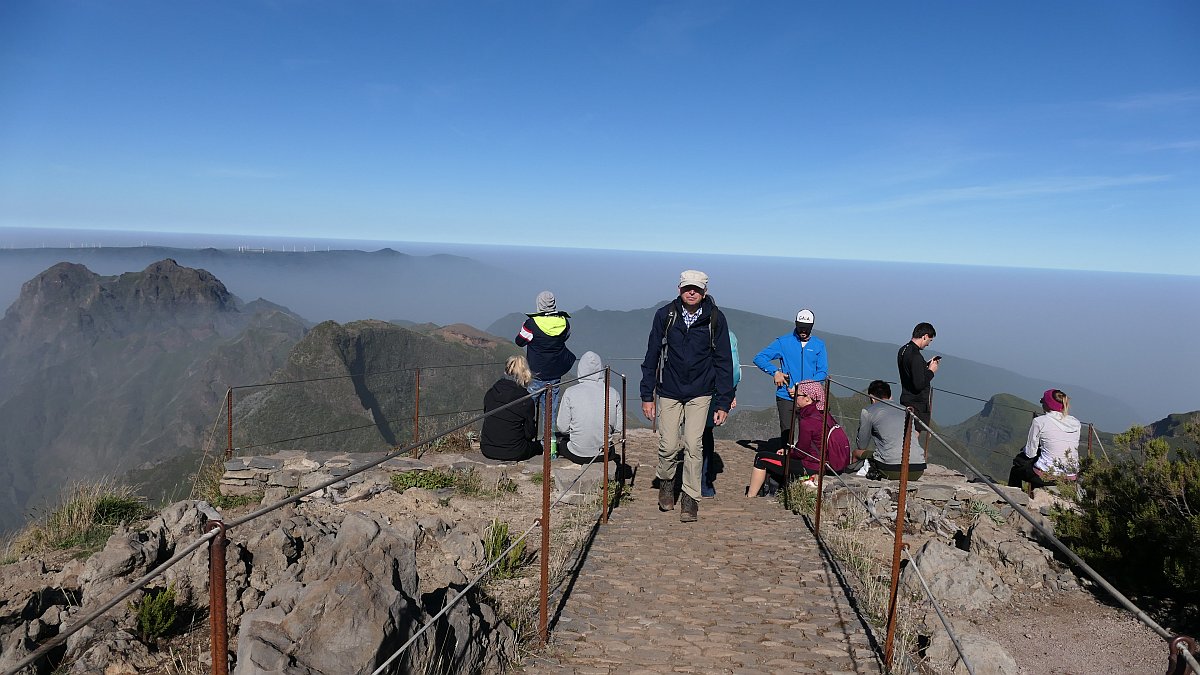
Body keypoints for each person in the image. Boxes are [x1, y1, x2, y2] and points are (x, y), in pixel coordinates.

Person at [640, 270, 735, 523]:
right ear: (679, 288)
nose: (691, 292)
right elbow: (651, 356)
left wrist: (724, 401)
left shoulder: (715, 318)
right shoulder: (665, 315)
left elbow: (724, 360)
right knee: (668, 445)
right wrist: (646, 394)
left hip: (701, 392)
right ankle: (667, 482)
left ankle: (690, 499)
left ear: (704, 291)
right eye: (687, 287)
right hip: (669, 389)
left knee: (694, 444)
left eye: (696, 288)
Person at [746, 380, 841, 497]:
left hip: (810, 466)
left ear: (807, 398)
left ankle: (750, 496)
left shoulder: (808, 421)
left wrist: (788, 453)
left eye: (798, 395)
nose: (795, 397)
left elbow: (801, 452)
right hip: (823, 464)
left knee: (761, 458)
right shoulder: (824, 415)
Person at [753, 309, 828, 452]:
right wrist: (775, 372)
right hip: (786, 395)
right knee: (787, 432)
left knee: (810, 432)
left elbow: (822, 372)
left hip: (808, 398)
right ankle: (786, 463)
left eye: (806, 327)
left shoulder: (819, 345)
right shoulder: (783, 342)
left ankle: (805, 464)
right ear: (795, 324)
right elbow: (759, 358)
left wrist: (802, 387)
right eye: (800, 327)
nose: (803, 331)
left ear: (812, 326)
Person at [514, 291, 576, 438]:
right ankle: (549, 447)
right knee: (550, 412)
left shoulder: (531, 324)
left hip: (536, 374)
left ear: (539, 304)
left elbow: (519, 341)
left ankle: (522, 438)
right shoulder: (564, 322)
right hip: (555, 373)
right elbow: (565, 337)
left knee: (526, 407)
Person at [555, 351, 621, 465]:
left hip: (577, 454)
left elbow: (562, 428)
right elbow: (619, 427)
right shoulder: (613, 393)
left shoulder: (570, 392)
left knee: (559, 441)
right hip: (603, 454)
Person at [853, 380, 927, 481]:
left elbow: (861, 445)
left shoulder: (868, 411)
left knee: (856, 453)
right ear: (890, 396)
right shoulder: (906, 410)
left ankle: (851, 480)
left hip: (891, 470)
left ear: (871, 397)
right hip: (917, 470)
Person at [1008, 389, 1081, 489]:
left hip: (1047, 476)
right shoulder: (1075, 423)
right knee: (1037, 464)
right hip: (1071, 476)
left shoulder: (1039, 421)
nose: (1041, 403)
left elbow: (1030, 453)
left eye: (1043, 401)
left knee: (1016, 470)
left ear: (1048, 404)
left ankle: (1015, 500)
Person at [480, 355, 542, 461]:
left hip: (487, 449)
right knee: (538, 447)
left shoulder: (491, 393)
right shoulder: (526, 400)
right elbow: (529, 434)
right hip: (514, 451)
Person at [701, 332, 739, 498]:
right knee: (706, 434)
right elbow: (734, 369)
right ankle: (705, 482)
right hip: (716, 390)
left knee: (697, 433)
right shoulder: (728, 335)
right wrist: (730, 392)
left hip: (696, 389)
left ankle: (697, 480)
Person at [897, 322, 940, 432]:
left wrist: (924, 365)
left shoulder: (903, 350)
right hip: (917, 405)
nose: (928, 344)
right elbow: (919, 385)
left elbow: (911, 371)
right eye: (929, 340)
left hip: (905, 399)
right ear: (925, 336)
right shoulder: (916, 356)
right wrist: (931, 371)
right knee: (912, 439)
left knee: (905, 436)